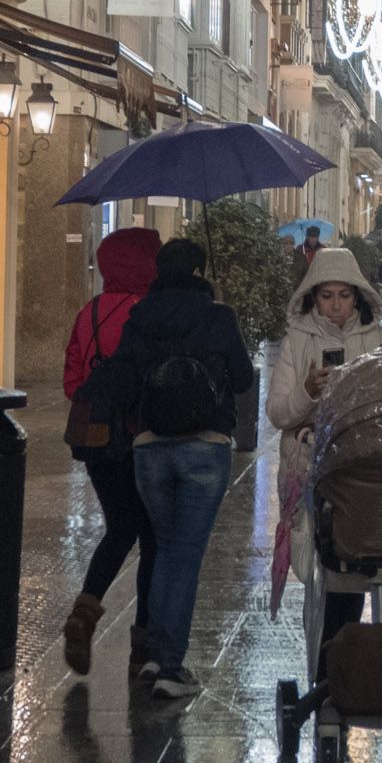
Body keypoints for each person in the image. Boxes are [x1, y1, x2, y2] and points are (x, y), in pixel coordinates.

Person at [108, 237, 255, 699]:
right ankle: (171, 666)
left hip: (150, 446)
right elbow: (245, 378)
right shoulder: (217, 315)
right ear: (198, 270)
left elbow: (124, 376)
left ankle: (153, 655)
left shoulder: (141, 316)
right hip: (204, 445)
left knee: (164, 551)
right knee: (184, 556)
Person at [264, 245, 382, 647]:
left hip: (358, 474)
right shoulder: (297, 340)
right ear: (313, 296)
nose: (336, 306)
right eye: (326, 295)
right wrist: (308, 392)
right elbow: (279, 413)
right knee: (317, 574)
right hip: (309, 473)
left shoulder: (379, 339)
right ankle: (324, 666)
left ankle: (342, 667)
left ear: (358, 296)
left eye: (344, 295)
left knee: (352, 573)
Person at [61, 227, 161, 677]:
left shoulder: (91, 311)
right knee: (152, 537)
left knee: (119, 528)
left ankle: (86, 611)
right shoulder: (149, 312)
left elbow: (71, 381)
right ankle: (143, 643)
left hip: (98, 438)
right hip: (140, 435)